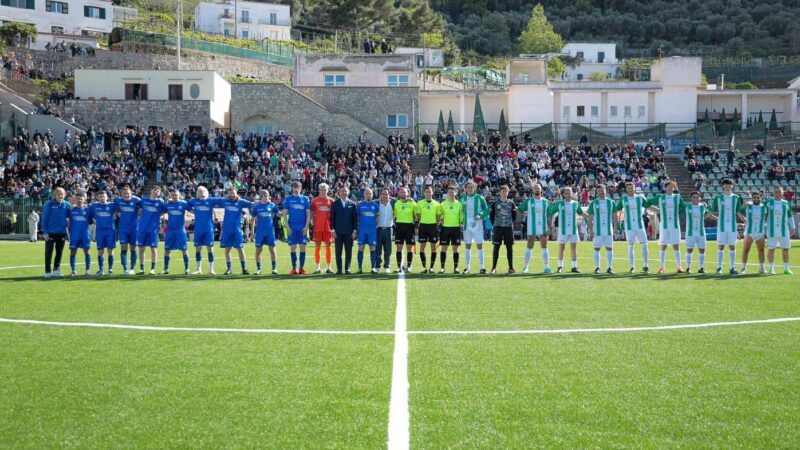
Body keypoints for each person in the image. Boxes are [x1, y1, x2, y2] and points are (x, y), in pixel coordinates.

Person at [647, 180, 686, 274]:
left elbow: (684, 207)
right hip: (664, 226)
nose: (670, 188)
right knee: (663, 246)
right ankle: (662, 267)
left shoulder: (677, 197)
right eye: (668, 186)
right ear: (665, 187)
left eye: (672, 186)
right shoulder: (660, 197)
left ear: (674, 188)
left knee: (676, 245)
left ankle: (679, 267)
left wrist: (679, 212)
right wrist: (656, 210)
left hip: (675, 226)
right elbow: (647, 203)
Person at [709, 179, 744, 275]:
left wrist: (746, 221)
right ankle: (719, 267)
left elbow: (738, 212)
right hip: (721, 226)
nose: (728, 186)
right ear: (723, 186)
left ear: (732, 186)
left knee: (732, 246)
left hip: (732, 226)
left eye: (730, 184)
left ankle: (732, 267)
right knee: (721, 246)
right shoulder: (718, 198)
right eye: (726, 184)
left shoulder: (736, 198)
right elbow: (711, 211)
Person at [615, 182, 650, 274]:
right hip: (629, 227)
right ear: (626, 190)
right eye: (629, 188)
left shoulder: (640, 198)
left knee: (644, 244)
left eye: (632, 188)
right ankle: (632, 266)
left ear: (635, 188)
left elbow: (648, 204)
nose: (630, 190)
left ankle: (646, 265)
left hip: (640, 225)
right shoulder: (624, 199)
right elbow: (616, 208)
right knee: (630, 246)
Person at [547, 187, 583, 273]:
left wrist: (590, 215)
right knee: (561, 247)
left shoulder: (576, 203)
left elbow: (581, 213)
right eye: (566, 193)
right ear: (563, 194)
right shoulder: (560, 203)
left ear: (572, 193)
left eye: (569, 192)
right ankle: (560, 266)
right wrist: (549, 223)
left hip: (573, 230)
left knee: (573, 247)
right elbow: (551, 212)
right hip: (563, 230)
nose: (568, 194)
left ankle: (574, 266)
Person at [518, 182, 552, 274]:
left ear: (541, 190)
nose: (537, 189)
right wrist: (525, 213)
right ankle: (525, 267)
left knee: (544, 246)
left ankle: (546, 267)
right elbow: (520, 209)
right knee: (529, 246)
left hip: (543, 227)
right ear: (532, 190)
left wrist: (549, 227)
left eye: (538, 188)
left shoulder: (546, 202)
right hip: (531, 227)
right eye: (535, 188)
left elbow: (549, 216)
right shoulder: (528, 201)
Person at [218, 186, 252, 275]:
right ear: (227, 194)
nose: (232, 195)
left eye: (233, 193)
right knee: (227, 249)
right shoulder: (225, 201)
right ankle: (229, 269)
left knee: (240, 249)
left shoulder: (240, 201)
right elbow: (214, 201)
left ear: (236, 193)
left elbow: (251, 204)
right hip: (227, 230)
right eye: (230, 193)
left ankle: (244, 269)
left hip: (237, 230)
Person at [584, 184, 615, 274]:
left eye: (602, 190)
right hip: (597, 230)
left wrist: (616, 227)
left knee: (609, 248)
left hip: (608, 230)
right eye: (599, 191)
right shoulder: (594, 203)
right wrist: (590, 230)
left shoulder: (611, 202)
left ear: (606, 190)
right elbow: (590, 218)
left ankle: (609, 267)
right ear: (597, 192)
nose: (601, 192)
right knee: (596, 248)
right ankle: (597, 267)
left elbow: (614, 216)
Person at [187, 186, 218, 275]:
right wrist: (193, 211)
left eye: (203, 190)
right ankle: (198, 269)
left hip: (209, 229)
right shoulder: (194, 201)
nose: (202, 192)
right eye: (200, 191)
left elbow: (222, 201)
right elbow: (186, 206)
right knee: (198, 249)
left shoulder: (210, 200)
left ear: (207, 192)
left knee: (210, 249)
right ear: (197, 193)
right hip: (198, 229)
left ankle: (211, 269)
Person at [764, 186, 796, 275]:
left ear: (783, 193)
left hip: (784, 231)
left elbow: (790, 216)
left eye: (779, 192)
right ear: (773, 193)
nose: (778, 193)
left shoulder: (786, 203)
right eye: (776, 192)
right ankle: (771, 268)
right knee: (771, 250)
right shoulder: (768, 202)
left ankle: (786, 269)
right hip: (771, 231)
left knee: (785, 249)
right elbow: (760, 207)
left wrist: (793, 227)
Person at [281, 181, 311, 275]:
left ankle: (301, 268)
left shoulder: (305, 199)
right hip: (292, 227)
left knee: (303, 248)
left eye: (298, 187)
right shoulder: (288, 199)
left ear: (301, 188)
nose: (296, 189)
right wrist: (287, 227)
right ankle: (294, 268)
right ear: (292, 188)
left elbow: (308, 214)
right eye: (294, 187)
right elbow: (285, 214)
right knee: (293, 248)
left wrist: (306, 226)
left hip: (302, 226)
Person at [460, 181, 490, 274]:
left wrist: (480, 215)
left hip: (478, 225)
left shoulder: (480, 198)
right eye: (468, 187)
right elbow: (460, 212)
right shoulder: (462, 199)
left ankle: (482, 267)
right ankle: (467, 267)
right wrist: (460, 222)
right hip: (466, 226)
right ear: (465, 189)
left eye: (471, 187)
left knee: (479, 246)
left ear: (474, 188)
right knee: (467, 246)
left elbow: (486, 210)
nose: (470, 189)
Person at [41, 187, 69, 278]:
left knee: (59, 252)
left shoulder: (66, 204)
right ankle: (47, 271)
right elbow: (44, 219)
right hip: (50, 233)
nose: (60, 195)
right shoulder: (49, 204)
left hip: (62, 232)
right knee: (48, 252)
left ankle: (56, 270)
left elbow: (71, 215)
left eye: (61, 194)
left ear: (64, 195)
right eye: (58, 194)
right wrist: (44, 232)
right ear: (55, 195)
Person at [683, 192, 714, 274]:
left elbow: (708, 214)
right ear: (691, 198)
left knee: (702, 250)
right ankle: (688, 267)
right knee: (689, 250)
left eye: (697, 197)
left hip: (701, 232)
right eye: (693, 197)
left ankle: (701, 267)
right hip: (690, 232)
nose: (695, 199)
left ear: (700, 198)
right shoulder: (687, 206)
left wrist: (718, 218)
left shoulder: (702, 207)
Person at [161, 190, 190, 275]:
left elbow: (191, 208)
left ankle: (187, 268)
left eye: (176, 195)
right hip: (170, 230)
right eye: (173, 195)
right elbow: (162, 209)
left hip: (180, 230)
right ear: (171, 196)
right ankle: (166, 269)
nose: (174, 196)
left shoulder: (184, 203)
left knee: (184, 249)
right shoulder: (168, 205)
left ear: (179, 195)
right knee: (167, 250)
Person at [137, 187, 165, 275]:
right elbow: (134, 204)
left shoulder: (160, 202)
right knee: (142, 249)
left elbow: (166, 209)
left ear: (159, 193)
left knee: (153, 249)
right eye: (154, 190)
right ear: (151, 191)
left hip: (153, 229)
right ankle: (142, 269)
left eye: (158, 191)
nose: (156, 191)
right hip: (142, 229)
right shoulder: (144, 200)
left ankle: (152, 269)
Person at [330, 185, 358, 274]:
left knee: (348, 252)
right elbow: (332, 218)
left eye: (345, 191)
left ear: (348, 192)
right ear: (339, 193)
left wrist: (354, 231)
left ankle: (347, 269)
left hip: (349, 233)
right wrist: (333, 230)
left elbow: (355, 219)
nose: (344, 193)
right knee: (338, 252)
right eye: (342, 191)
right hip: (338, 232)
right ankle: (339, 269)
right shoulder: (335, 203)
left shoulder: (352, 204)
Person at [114, 186, 141, 275]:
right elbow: (113, 208)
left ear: (131, 194)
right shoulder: (118, 201)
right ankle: (125, 268)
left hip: (134, 229)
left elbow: (146, 205)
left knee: (133, 248)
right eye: (124, 194)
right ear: (122, 194)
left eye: (128, 193)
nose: (126, 195)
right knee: (123, 248)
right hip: (123, 229)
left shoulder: (136, 200)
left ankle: (132, 268)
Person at [252, 189, 280, 275]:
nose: (267, 198)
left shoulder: (272, 205)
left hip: (270, 232)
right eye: (266, 196)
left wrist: (285, 212)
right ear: (261, 197)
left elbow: (278, 214)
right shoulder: (256, 207)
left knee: (272, 250)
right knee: (258, 250)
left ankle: (274, 268)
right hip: (260, 232)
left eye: (268, 196)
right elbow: (252, 220)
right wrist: (252, 232)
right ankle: (259, 269)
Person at [489, 185, 516, 274]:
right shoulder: (495, 203)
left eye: (506, 191)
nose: (504, 193)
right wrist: (496, 224)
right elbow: (491, 216)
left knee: (509, 248)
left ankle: (511, 267)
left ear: (508, 193)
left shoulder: (511, 203)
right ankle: (493, 268)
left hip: (508, 228)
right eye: (503, 191)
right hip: (498, 228)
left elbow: (514, 216)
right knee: (496, 247)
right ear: (499, 192)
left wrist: (509, 223)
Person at [89, 190, 116, 276]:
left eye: (104, 196)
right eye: (100, 197)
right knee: (100, 251)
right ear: (97, 198)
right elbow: (85, 208)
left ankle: (110, 270)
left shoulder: (112, 205)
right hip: (100, 231)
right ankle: (101, 270)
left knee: (110, 251)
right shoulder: (94, 206)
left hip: (110, 231)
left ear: (107, 197)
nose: (102, 198)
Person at [740, 191, 767, 274]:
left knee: (761, 250)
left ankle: (762, 268)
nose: (756, 199)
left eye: (758, 197)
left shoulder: (764, 207)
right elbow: (739, 211)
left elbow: (767, 217)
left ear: (760, 198)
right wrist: (744, 220)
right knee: (746, 249)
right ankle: (743, 268)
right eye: (754, 197)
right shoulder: (749, 206)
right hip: (749, 231)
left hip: (760, 232)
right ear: (752, 198)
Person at [438, 185, 464, 274]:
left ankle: (456, 268)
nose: (451, 193)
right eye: (449, 192)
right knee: (444, 248)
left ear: (455, 193)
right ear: (447, 193)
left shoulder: (459, 204)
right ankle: (442, 268)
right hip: (445, 228)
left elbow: (461, 216)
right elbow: (440, 216)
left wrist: (460, 223)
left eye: (453, 192)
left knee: (455, 249)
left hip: (456, 228)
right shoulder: (443, 204)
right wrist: (441, 221)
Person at [415, 185, 440, 273]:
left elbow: (438, 216)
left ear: (432, 192)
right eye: (426, 192)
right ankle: (424, 267)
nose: (428, 193)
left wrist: (436, 225)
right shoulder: (420, 203)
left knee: (433, 247)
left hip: (433, 227)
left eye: (430, 192)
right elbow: (418, 216)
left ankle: (431, 267)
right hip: (423, 226)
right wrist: (418, 226)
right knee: (422, 246)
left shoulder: (437, 204)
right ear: (424, 193)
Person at [311, 183, 334, 274]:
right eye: (322, 190)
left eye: (325, 190)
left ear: (327, 190)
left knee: (328, 246)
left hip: (328, 227)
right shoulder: (314, 201)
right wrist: (312, 219)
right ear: (319, 190)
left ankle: (329, 267)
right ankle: (317, 267)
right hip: (318, 226)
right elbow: (312, 212)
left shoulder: (331, 201)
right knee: (317, 247)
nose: (323, 191)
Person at [67, 193, 92, 277]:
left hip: (85, 235)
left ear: (84, 200)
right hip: (74, 235)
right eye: (78, 199)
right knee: (73, 252)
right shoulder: (71, 210)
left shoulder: (88, 210)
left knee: (87, 251)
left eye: (81, 199)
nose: (79, 200)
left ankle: (87, 270)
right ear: (75, 199)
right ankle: (73, 271)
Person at [356, 188, 380, 274]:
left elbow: (377, 216)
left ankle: (373, 267)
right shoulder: (360, 205)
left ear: (372, 194)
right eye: (366, 193)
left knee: (372, 248)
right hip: (362, 230)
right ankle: (359, 267)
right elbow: (357, 217)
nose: (368, 195)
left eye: (369, 193)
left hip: (372, 230)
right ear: (364, 195)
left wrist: (376, 224)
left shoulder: (375, 205)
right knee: (361, 248)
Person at [393, 187, 416, 272]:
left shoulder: (412, 203)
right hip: (399, 226)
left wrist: (413, 201)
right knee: (399, 247)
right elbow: (394, 215)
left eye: (404, 192)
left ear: (407, 193)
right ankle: (399, 266)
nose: (403, 193)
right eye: (401, 192)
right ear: (399, 193)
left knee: (409, 247)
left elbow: (417, 213)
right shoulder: (397, 203)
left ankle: (409, 266)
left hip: (409, 226)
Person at [376, 188, 394, 273]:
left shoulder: (393, 202)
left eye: (386, 194)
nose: (385, 196)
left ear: (389, 195)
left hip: (388, 229)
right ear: (380, 195)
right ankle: (377, 266)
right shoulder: (376, 203)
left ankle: (387, 266)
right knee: (378, 249)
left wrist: (410, 199)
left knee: (388, 249)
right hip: (378, 229)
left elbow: (403, 200)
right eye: (383, 194)